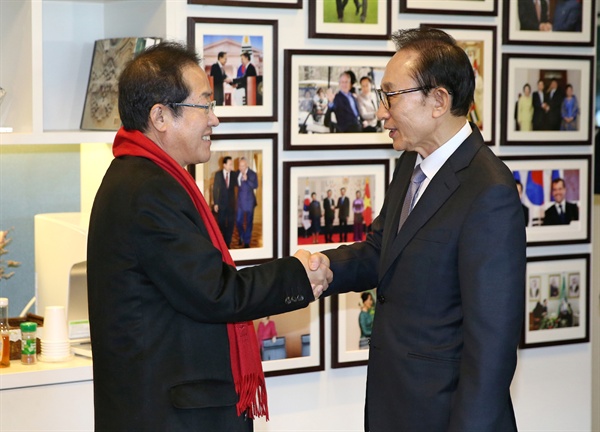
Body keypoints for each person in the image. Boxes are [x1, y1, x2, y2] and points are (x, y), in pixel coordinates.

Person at [86, 41, 332, 432]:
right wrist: (298, 273)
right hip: (171, 417)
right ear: (161, 116)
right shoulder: (149, 189)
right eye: (205, 106)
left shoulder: (142, 177)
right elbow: (216, 293)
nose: (214, 120)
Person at [315, 28, 526, 431]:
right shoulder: (411, 163)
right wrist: (321, 265)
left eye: (391, 97)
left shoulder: (488, 192)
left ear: (438, 101)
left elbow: (492, 350)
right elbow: (383, 252)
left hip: (445, 417)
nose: (381, 112)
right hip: (397, 407)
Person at [212, 155, 237, 247]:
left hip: (231, 204)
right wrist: (216, 203)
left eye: (232, 164)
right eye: (230, 164)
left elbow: (239, 186)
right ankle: (226, 236)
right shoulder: (218, 175)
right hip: (221, 204)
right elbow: (215, 189)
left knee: (231, 223)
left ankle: (228, 243)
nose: (231, 166)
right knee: (221, 222)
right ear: (224, 165)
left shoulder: (234, 174)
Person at [236, 157, 258, 248]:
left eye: (243, 166)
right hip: (240, 202)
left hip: (249, 202)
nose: (241, 168)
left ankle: (246, 242)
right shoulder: (237, 173)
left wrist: (247, 179)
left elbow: (255, 186)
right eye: (240, 166)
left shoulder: (252, 174)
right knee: (238, 221)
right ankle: (242, 236)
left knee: (249, 223)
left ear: (247, 165)